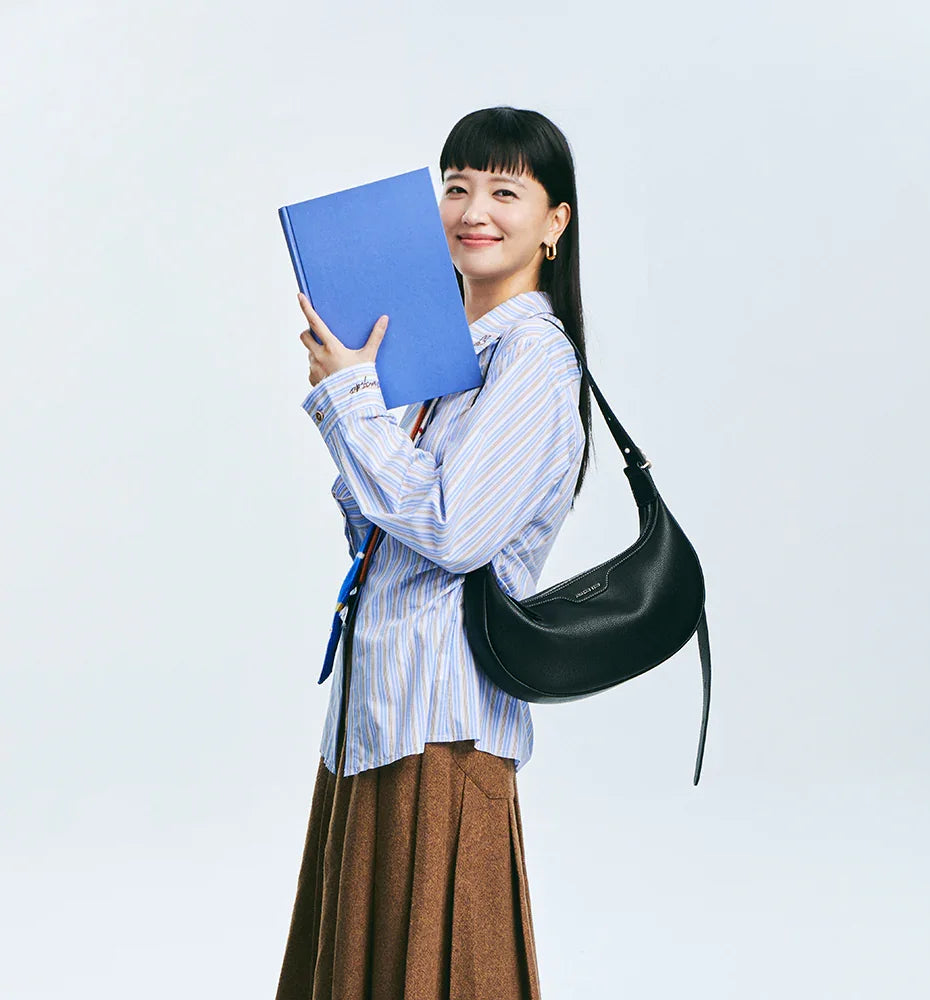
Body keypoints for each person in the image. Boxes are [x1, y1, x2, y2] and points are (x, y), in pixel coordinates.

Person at [274, 106, 594, 1000]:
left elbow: (454, 532)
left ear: (554, 222)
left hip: (443, 723)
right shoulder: (452, 354)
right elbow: (385, 536)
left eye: (505, 188)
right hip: (382, 713)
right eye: (455, 186)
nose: (472, 208)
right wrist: (362, 401)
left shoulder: (532, 357)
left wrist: (349, 404)